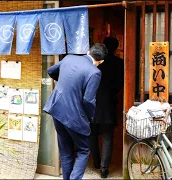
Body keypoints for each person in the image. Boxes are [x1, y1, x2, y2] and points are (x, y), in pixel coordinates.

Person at [43, 43, 108, 180]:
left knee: (66, 150)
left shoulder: (69, 58)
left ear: (89, 51)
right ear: (101, 61)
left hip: (57, 111)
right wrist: (90, 118)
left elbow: (51, 71)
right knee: (83, 151)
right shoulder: (95, 72)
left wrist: (65, 83)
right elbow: (88, 100)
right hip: (75, 116)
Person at [89, 36, 124, 178]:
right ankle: (104, 169)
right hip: (108, 102)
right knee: (107, 137)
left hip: (92, 102)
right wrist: (111, 93)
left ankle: (96, 162)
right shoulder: (119, 63)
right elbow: (120, 83)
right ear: (116, 48)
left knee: (92, 135)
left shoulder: (94, 62)